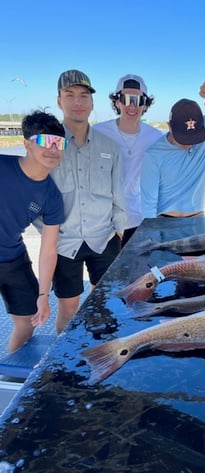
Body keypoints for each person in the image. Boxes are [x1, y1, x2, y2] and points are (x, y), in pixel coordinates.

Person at [51, 69, 127, 334]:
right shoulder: (49, 146)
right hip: (63, 243)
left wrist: (119, 229)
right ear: (59, 100)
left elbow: (119, 195)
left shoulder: (111, 147)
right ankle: (62, 365)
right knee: (68, 308)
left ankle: (102, 350)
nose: (78, 102)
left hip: (104, 238)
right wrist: (47, 233)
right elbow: (34, 195)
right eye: (69, 95)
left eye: (84, 95)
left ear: (92, 103)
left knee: (104, 301)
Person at [0, 111, 66, 352]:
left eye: (58, 143)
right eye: (44, 141)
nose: (52, 149)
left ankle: (12, 376)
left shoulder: (52, 196)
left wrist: (43, 295)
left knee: (27, 324)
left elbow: (49, 249)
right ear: (27, 144)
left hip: (12, 259)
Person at [140, 78, 205, 218]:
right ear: (169, 126)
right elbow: (147, 205)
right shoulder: (153, 155)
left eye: (194, 138)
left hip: (198, 219)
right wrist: (152, 235)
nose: (189, 144)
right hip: (166, 221)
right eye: (183, 138)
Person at [94, 74, 163, 246]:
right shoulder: (97, 133)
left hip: (140, 220)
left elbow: (164, 181)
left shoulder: (155, 137)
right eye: (126, 99)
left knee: (140, 271)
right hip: (104, 222)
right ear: (117, 102)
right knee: (106, 273)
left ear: (145, 104)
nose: (132, 106)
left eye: (138, 100)